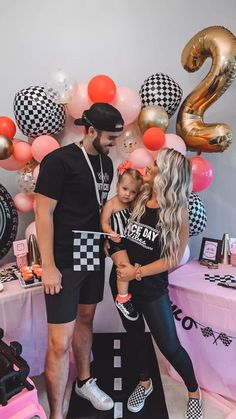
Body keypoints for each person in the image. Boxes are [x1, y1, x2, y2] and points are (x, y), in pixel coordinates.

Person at [35, 103, 124, 419]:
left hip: (91, 250)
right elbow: (42, 213)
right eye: (111, 138)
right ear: (90, 130)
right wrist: (48, 266)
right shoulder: (59, 161)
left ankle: (85, 382)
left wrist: (106, 234)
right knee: (59, 342)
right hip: (62, 257)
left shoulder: (107, 164)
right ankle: (57, 415)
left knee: (86, 319)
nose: (115, 144)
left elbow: (96, 208)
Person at [109, 148, 203, 419]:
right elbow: (119, 230)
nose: (148, 165)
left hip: (150, 289)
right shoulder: (140, 196)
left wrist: (136, 273)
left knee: (169, 345)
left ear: (168, 175)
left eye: (156, 164)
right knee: (135, 338)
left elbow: (172, 258)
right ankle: (144, 383)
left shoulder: (178, 211)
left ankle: (193, 391)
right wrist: (116, 254)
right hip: (122, 285)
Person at [101, 167, 142, 321]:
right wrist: (110, 232)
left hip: (129, 242)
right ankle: (123, 298)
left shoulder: (132, 204)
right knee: (124, 266)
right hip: (115, 242)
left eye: (132, 192)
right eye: (125, 189)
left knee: (130, 266)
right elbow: (104, 223)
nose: (127, 194)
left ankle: (125, 296)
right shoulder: (111, 204)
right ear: (117, 185)